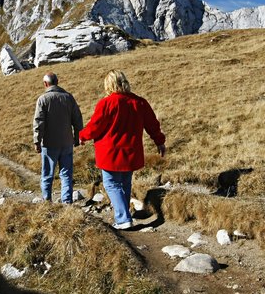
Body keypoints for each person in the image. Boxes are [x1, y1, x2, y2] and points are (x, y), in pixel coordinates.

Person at [79, 70, 166, 229]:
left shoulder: (106, 103)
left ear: (108, 84)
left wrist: (82, 136)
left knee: (111, 184)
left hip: (110, 153)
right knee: (125, 183)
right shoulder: (139, 102)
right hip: (131, 152)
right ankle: (124, 215)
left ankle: (123, 219)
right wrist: (159, 141)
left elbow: (95, 127)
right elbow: (152, 125)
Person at [33, 72, 83, 203]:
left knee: (47, 174)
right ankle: (67, 202)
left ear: (45, 84)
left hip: (49, 144)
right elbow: (77, 119)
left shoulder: (43, 99)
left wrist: (37, 141)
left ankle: (47, 201)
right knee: (66, 174)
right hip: (67, 142)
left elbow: (39, 122)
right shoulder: (68, 97)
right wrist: (77, 137)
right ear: (57, 81)